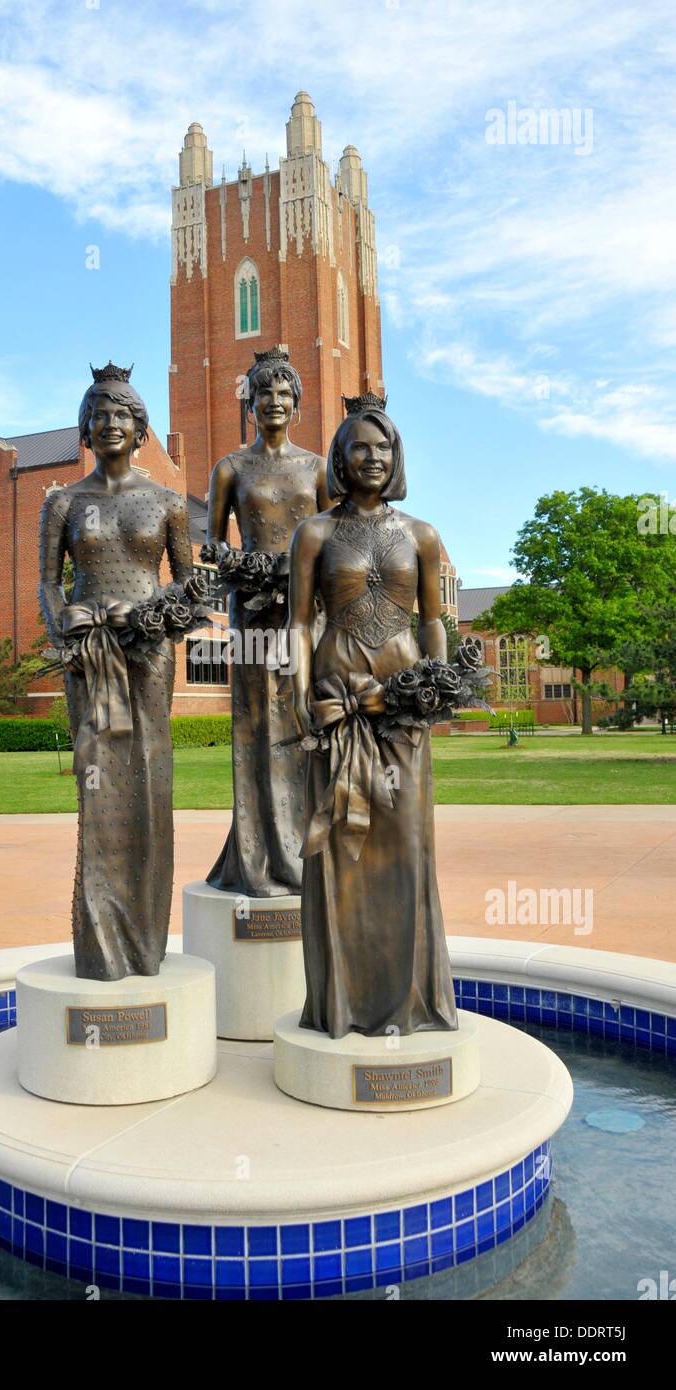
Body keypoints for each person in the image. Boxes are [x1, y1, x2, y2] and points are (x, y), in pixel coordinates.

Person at [287, 394, 458, 1038]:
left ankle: (406, 1003)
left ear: (397, 457)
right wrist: (301, 698)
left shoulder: (422, 536)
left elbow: (436, 623)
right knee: (341, 850)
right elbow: (300, 625)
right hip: (338, 700)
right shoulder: (316, 534)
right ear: (340, 456)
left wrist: (431, 690)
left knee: (404, 847)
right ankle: (347, 1003)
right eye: (361, 446)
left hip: (403, 707)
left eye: (384, 447)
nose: (373, 457)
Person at [39, 362, 197, 981]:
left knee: (150, 776)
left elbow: (188, 583)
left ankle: (145, 940)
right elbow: (48, 581)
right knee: (100, 779)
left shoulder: (167, 502)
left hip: (149, 651)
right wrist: (66, 625)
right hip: (89, 654)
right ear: (86, 426)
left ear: (140, 429)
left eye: (122, 414)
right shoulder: (63, 502)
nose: (110, 422)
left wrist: (150, 613)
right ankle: (102, 944)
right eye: (99, 413)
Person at [204, 347, 328, 897]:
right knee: (256, 722)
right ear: (250, 403)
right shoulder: (230, 469)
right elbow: (212, 542)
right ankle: (256, 853)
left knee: (302, 719)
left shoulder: (317, 468)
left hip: (305, 612)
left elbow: (332, 537)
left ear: (296, 404)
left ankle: (303, 847)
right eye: (263, 394)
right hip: (251, 612)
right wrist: (245, 568)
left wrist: (298, 578)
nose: (273, 402)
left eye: (283, 394)